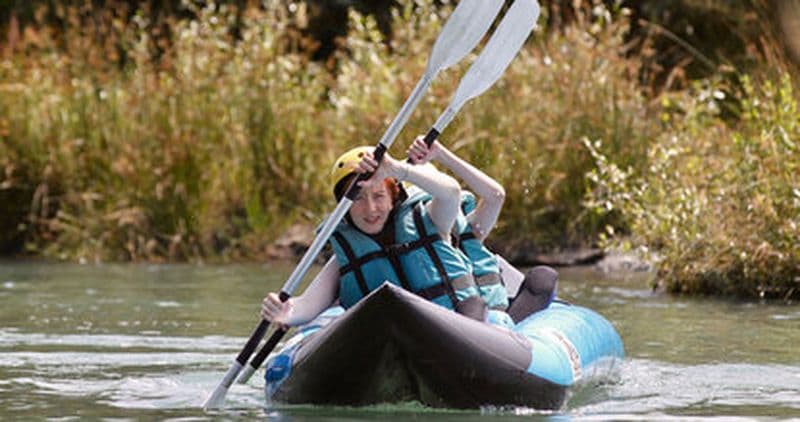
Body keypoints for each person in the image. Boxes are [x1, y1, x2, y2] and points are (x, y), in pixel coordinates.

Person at [261, 146, 486, 328]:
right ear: (343, 207)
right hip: (389, 340)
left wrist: (397, 169)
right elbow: (306, 307)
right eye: (358, 198)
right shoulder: (345, 256)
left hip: (454, 325)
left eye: (379, 196)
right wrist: (284, 311)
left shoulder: (431, 221)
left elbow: (451, 193)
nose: (370, 209)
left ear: (393, 199)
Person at [406, 137, 558, 322]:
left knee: (544, 278)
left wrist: (440, 154)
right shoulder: (413, 240)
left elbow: (496, 195)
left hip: (505, 319)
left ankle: (504, 328)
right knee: (473, 305)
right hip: (465, 323)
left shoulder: (470, 228)